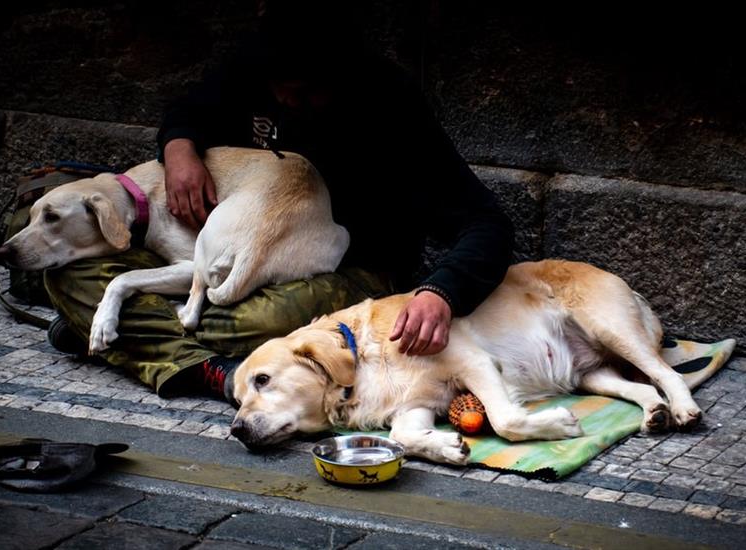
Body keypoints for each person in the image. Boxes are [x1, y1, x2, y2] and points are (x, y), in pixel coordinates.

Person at [44, 3, 513, 402]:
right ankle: (134, 332)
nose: (292, 100)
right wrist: (179, 148)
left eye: (309, 91)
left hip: (343, 269)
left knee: (249, 322)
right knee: (56, 258)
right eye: (282, 89)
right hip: (218, 253)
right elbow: (189, 110)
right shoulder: (250, 72)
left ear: (343, 74)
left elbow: (488, 224)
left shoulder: (391, 106)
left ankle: (156, 348)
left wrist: (441, 293)